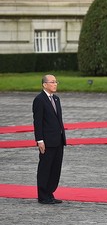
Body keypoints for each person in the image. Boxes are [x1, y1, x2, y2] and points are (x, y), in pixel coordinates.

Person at [32, 74, 66, 204]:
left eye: (56, 81)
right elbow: (38, 122)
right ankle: (42, 195)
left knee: (55, 168)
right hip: (46, 141)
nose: (55, 84)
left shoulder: (56, 99)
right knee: (45, 168)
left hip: (58, 140)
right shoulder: (39, 100)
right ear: (44, 84)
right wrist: (40, 140)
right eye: (52, 82)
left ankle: (50, 193)